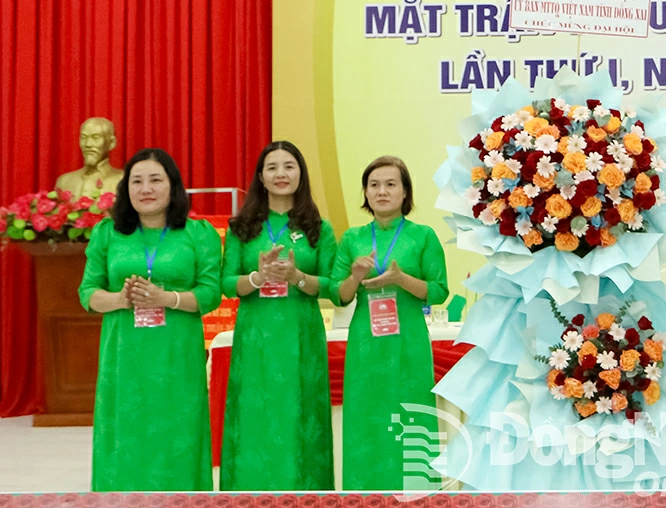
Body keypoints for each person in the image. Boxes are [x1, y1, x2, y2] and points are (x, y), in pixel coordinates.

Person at [77, 148, 222, 491]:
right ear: (126, 189)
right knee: (125, 431)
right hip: (125, 357)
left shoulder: (198, 233)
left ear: (173, 186)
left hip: (177, 356)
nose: (146, 188)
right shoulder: (107, 233)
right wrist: (119, 299)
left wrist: (165, 299)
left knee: (179, 430)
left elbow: (210, 293)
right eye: (136, 181)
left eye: (155, 180)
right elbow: (87, 292)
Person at [219, 141, 337, 490]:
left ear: (301, 174)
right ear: (261, 177)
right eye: (272, 167)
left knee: (301, 413)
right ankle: (249, 491)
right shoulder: (242, 226)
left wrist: (296, 277)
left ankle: (307, 491)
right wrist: (258, 278)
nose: (281, 174)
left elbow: (332, 286)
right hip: (256, 337)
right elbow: (226, 283)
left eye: (289, 166)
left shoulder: (319, 227)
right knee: (256, 413)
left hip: (301, 336)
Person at [332, 155, 450, 491]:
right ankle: (364, 494)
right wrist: (354, 275)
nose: (381, 191)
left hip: (408, 343)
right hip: (365, 345)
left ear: (405, 193)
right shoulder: (352, 239)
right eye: (374, 185)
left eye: (390, 184)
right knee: (365, 421)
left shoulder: (423, 236)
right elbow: (338, 296)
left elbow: (438, 291)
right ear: (365, 194)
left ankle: (418, 494)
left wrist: (400, 279)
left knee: (412, 417)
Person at [55, 117, 124, 198]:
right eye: (83, 137)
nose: (88, 144)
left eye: (95, 137)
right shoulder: (64, 181)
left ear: (111, 143)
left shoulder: (124, 180)